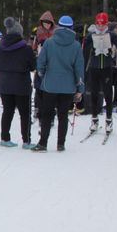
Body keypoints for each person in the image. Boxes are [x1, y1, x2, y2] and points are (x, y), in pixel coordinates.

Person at [32, 16, 85, 153]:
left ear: (58, 26)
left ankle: (43, 143)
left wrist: (43, 75)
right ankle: (61, 144)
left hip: (50, 84)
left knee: (47, 114)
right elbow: (79, 69)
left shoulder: (49, 43)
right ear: (72, 28)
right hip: (68, 86)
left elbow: (41, 63)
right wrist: (80, 88)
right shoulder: (76, 45)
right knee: (63, 116)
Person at [0, 18, 35, 149]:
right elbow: (33, 66)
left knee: (7, 111)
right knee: (25, 113)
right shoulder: (26, 48)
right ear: (20, 33)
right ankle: (26, 141)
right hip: (22, 85)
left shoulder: (0, 48)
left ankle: (5, 138)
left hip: (5, 84)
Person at [83, 11, 117, 135]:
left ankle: (109, 120)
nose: (100, 27)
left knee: (108, 93)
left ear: (106, 25)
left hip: (107, 67)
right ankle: (94, 118)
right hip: (94, 67)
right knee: (94, 93)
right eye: (98, 24)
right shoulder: (91, 35)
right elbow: (84, 47)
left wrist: (114, 52)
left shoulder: (111, 35)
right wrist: (88, 42)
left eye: (103, 25)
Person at [33, 11, 56, 119]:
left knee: (50, 86)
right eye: (44, 23)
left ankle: (51, 109)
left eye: (49, 23)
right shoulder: (38, 31)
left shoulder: (55, 31)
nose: (47, 25)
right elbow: (33, 45)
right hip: (40, 60)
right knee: (38, 85)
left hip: (52, 61)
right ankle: (38, 107)